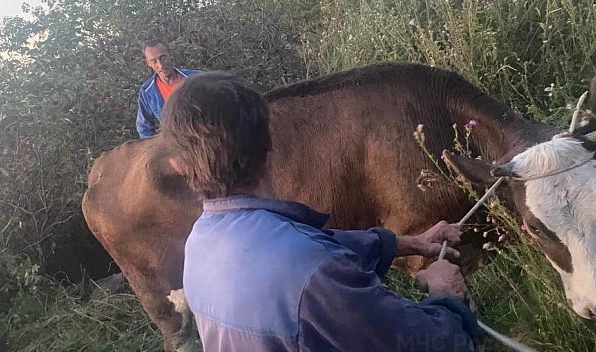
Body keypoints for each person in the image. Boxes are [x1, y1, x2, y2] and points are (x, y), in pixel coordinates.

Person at [161, 71, 478, 351]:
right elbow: (440, 343)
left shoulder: (198, 246)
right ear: (270, 140)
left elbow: (313, 247)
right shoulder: (318, 278)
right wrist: (446, 296)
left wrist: (411, 242)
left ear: (176, 166)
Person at [135, 38, 203, 139]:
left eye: (163, 57)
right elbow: (144, 127)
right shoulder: (147, 91)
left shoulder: (197, 79)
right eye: (154, 61)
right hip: (176, 144)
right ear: (148, 63)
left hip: (204, 138)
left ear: (170, 55)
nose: (160, 65)